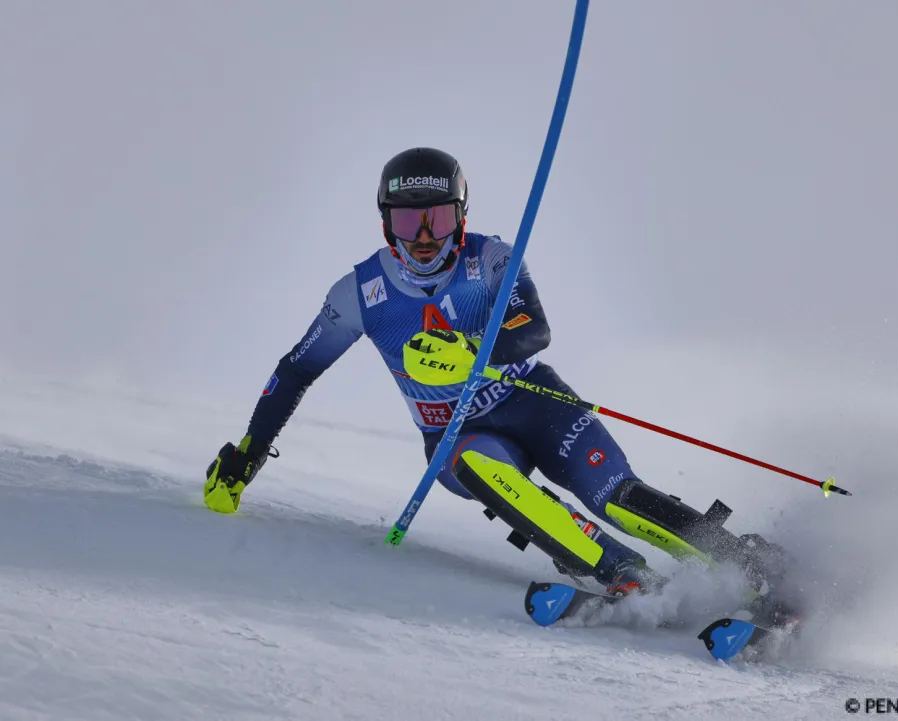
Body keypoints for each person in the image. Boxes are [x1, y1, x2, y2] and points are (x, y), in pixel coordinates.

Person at [203, 147, 788, 602]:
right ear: (386, 223)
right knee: (482, 468)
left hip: (538, 402)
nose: (425, 238)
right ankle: (621, 572)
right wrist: (247, 456)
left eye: (438, 218)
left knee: (617, 496)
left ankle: (742, 565)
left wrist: (475, 352)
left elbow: (535, 332)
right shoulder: (359, 293)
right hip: (459, 434)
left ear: (462, 214)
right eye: (409, 221)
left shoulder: (492, 259)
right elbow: (296, 368)